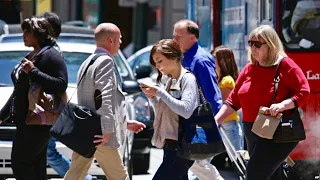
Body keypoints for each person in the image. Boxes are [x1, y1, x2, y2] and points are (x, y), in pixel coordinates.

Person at [214, 25, 310, 180]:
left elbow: (304, 91)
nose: (253, 47)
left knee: (253, 174)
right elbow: (233, 100)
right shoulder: (249, 69)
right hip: (252, 131)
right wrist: (216, 120)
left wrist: (282, 105)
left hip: (277, 131)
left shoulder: (285, 65)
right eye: (250, 43)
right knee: (272, 176)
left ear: (271, 45)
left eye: (257, 44)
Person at [64, 23, 146, 180]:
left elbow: (92, 99)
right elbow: (103, 97)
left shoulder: (88, 61)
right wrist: (107, 129)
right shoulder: (105, 61)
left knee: (75, 174)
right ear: (110, 40)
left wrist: (124, 123)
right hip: (101, 134)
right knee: (119, 177)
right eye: (119, 39)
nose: (121, 42)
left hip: (88, 130)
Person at [0, 17, 68, 179]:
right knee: (35, 166)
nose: (24, 35)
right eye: (23, 31)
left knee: (20, 163)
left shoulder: (51, 55)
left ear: (39, 33)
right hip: (26, 120)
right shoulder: (33, 55)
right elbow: (19, 91)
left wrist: (33, 72)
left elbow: (61, 84)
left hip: (38, 121)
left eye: (28, 32)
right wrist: (2, 116)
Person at [37, 11, 94, 180]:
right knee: (43, 153)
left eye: (39, 27)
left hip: (50, 111)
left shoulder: (52, 53)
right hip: (46, 111)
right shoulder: (45, 51)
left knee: (49, 153)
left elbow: (60, 84)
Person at [173, 19, 224, 180]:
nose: (175, 40)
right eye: (174, 36)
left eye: (178, 37)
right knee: (184, 163)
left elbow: (212, 93)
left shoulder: (201, 60)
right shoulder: (181, 57)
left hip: (199, 123)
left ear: (193, 37)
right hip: (185, 121)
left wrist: (213, 122)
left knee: (198, 164)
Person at [140, 39, 197, 180]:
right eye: (155, 63)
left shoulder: (187, 79)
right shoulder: (169, 80)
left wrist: (160, 93)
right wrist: (153, 98)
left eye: (159, 61)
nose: (157, 66)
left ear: (173, 57)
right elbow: (165, 110)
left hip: (182, 145)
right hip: (171, 144)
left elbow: (186, 110)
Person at [212, 45, 243, 151]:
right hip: (221, 123)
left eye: (214, 58)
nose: (211, 61)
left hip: (228, 124)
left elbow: (225, 104)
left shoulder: (227, 80)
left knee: (237, 159)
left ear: (223, 61)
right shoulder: (218, 79)